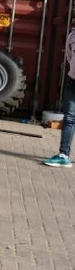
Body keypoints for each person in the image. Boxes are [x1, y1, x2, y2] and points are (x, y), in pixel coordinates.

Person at [42, 25, 75, 167]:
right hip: (73, 82)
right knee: (69, 119)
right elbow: (69, 56)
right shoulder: (72, 35)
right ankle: (63, 155)